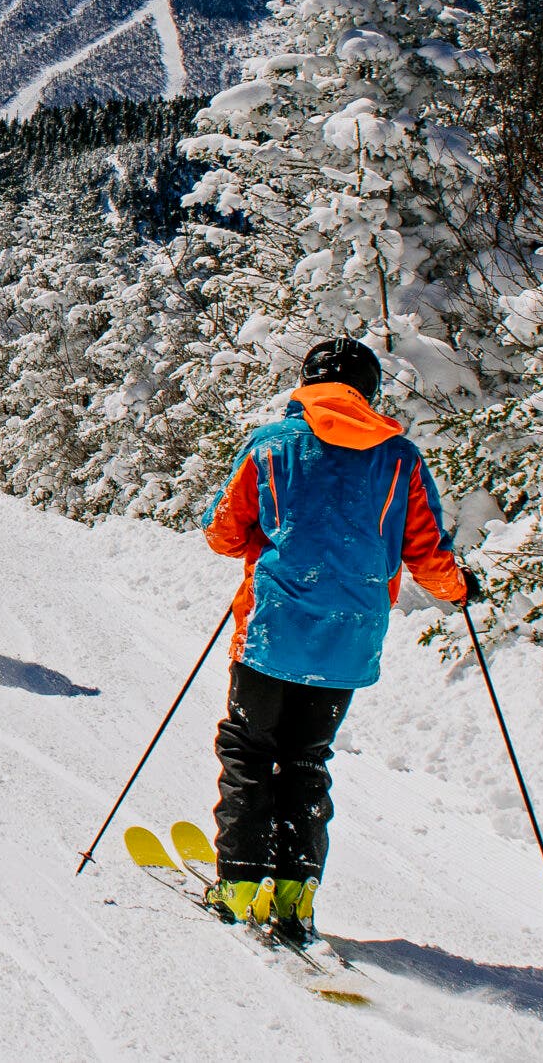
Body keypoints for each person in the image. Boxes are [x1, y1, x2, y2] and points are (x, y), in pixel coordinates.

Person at [200, 336, 474, 944]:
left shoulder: (273, 445)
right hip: (349, 642)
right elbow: (428, 550)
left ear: (307, 382)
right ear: (369, 393)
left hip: (272, 630)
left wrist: (262, 539)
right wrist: (458, 589)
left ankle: (239, 882)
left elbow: (222, 533)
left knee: (249, 750)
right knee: (306, 759)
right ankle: (295, 890)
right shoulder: (400, 458)